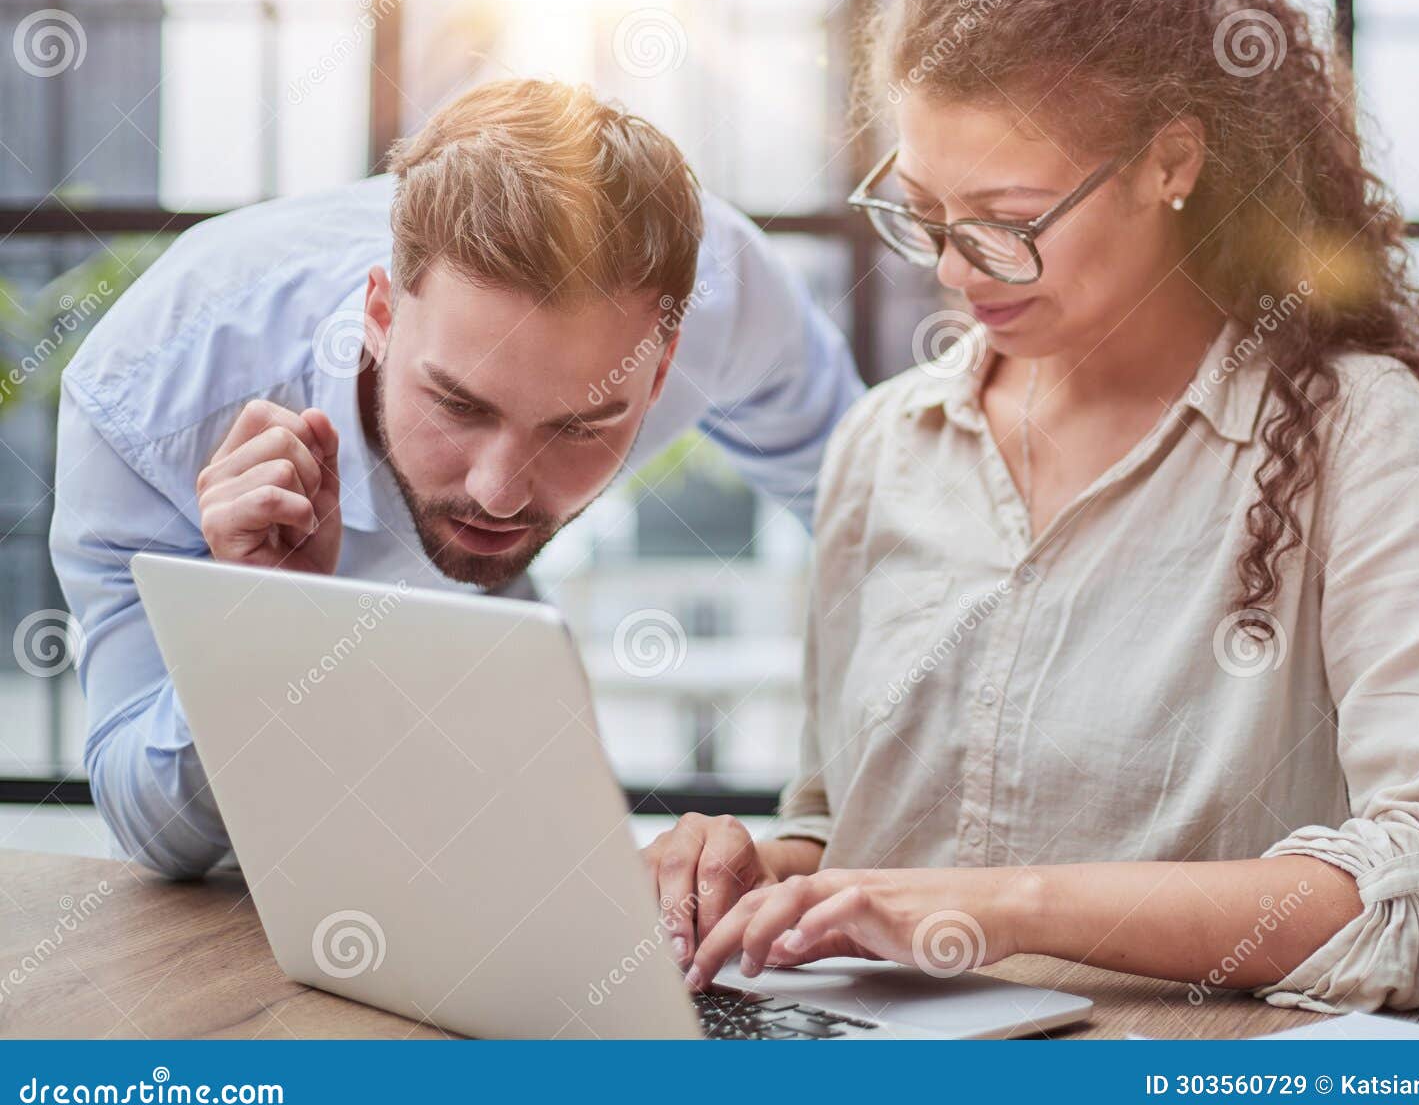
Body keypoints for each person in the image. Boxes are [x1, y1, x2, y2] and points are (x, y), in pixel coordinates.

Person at [645, 0, 1419, 1013]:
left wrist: (1003, 907)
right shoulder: (885, 445)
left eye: (1006, 216)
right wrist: (770, 874)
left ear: (1169, 161)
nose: (953, 269)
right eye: (924, 211)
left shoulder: (1348, 434)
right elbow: (844, 822)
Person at [50, 78, 862, 881]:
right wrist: (264, 627)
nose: (500, 491)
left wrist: (843, 840)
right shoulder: (148, 407)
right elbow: (149, 831)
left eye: (580, 425)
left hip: (514, 682)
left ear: (659, 374)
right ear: (380, 316)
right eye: (458, 404)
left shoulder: (721, 297)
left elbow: (882, 530)